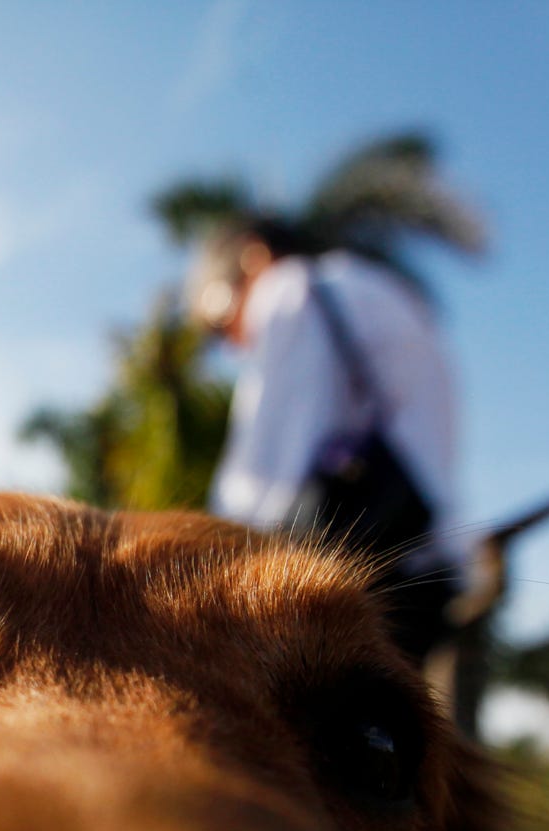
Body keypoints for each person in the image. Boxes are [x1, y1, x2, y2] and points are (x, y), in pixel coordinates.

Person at [187, 216, 462, 662]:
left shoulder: (290, 292)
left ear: (253, 257)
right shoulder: (373, 289)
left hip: (355, 578)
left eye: (219, 317)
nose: (232, 345)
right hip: (420, 560)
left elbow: (265, 475)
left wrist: (208, 577)